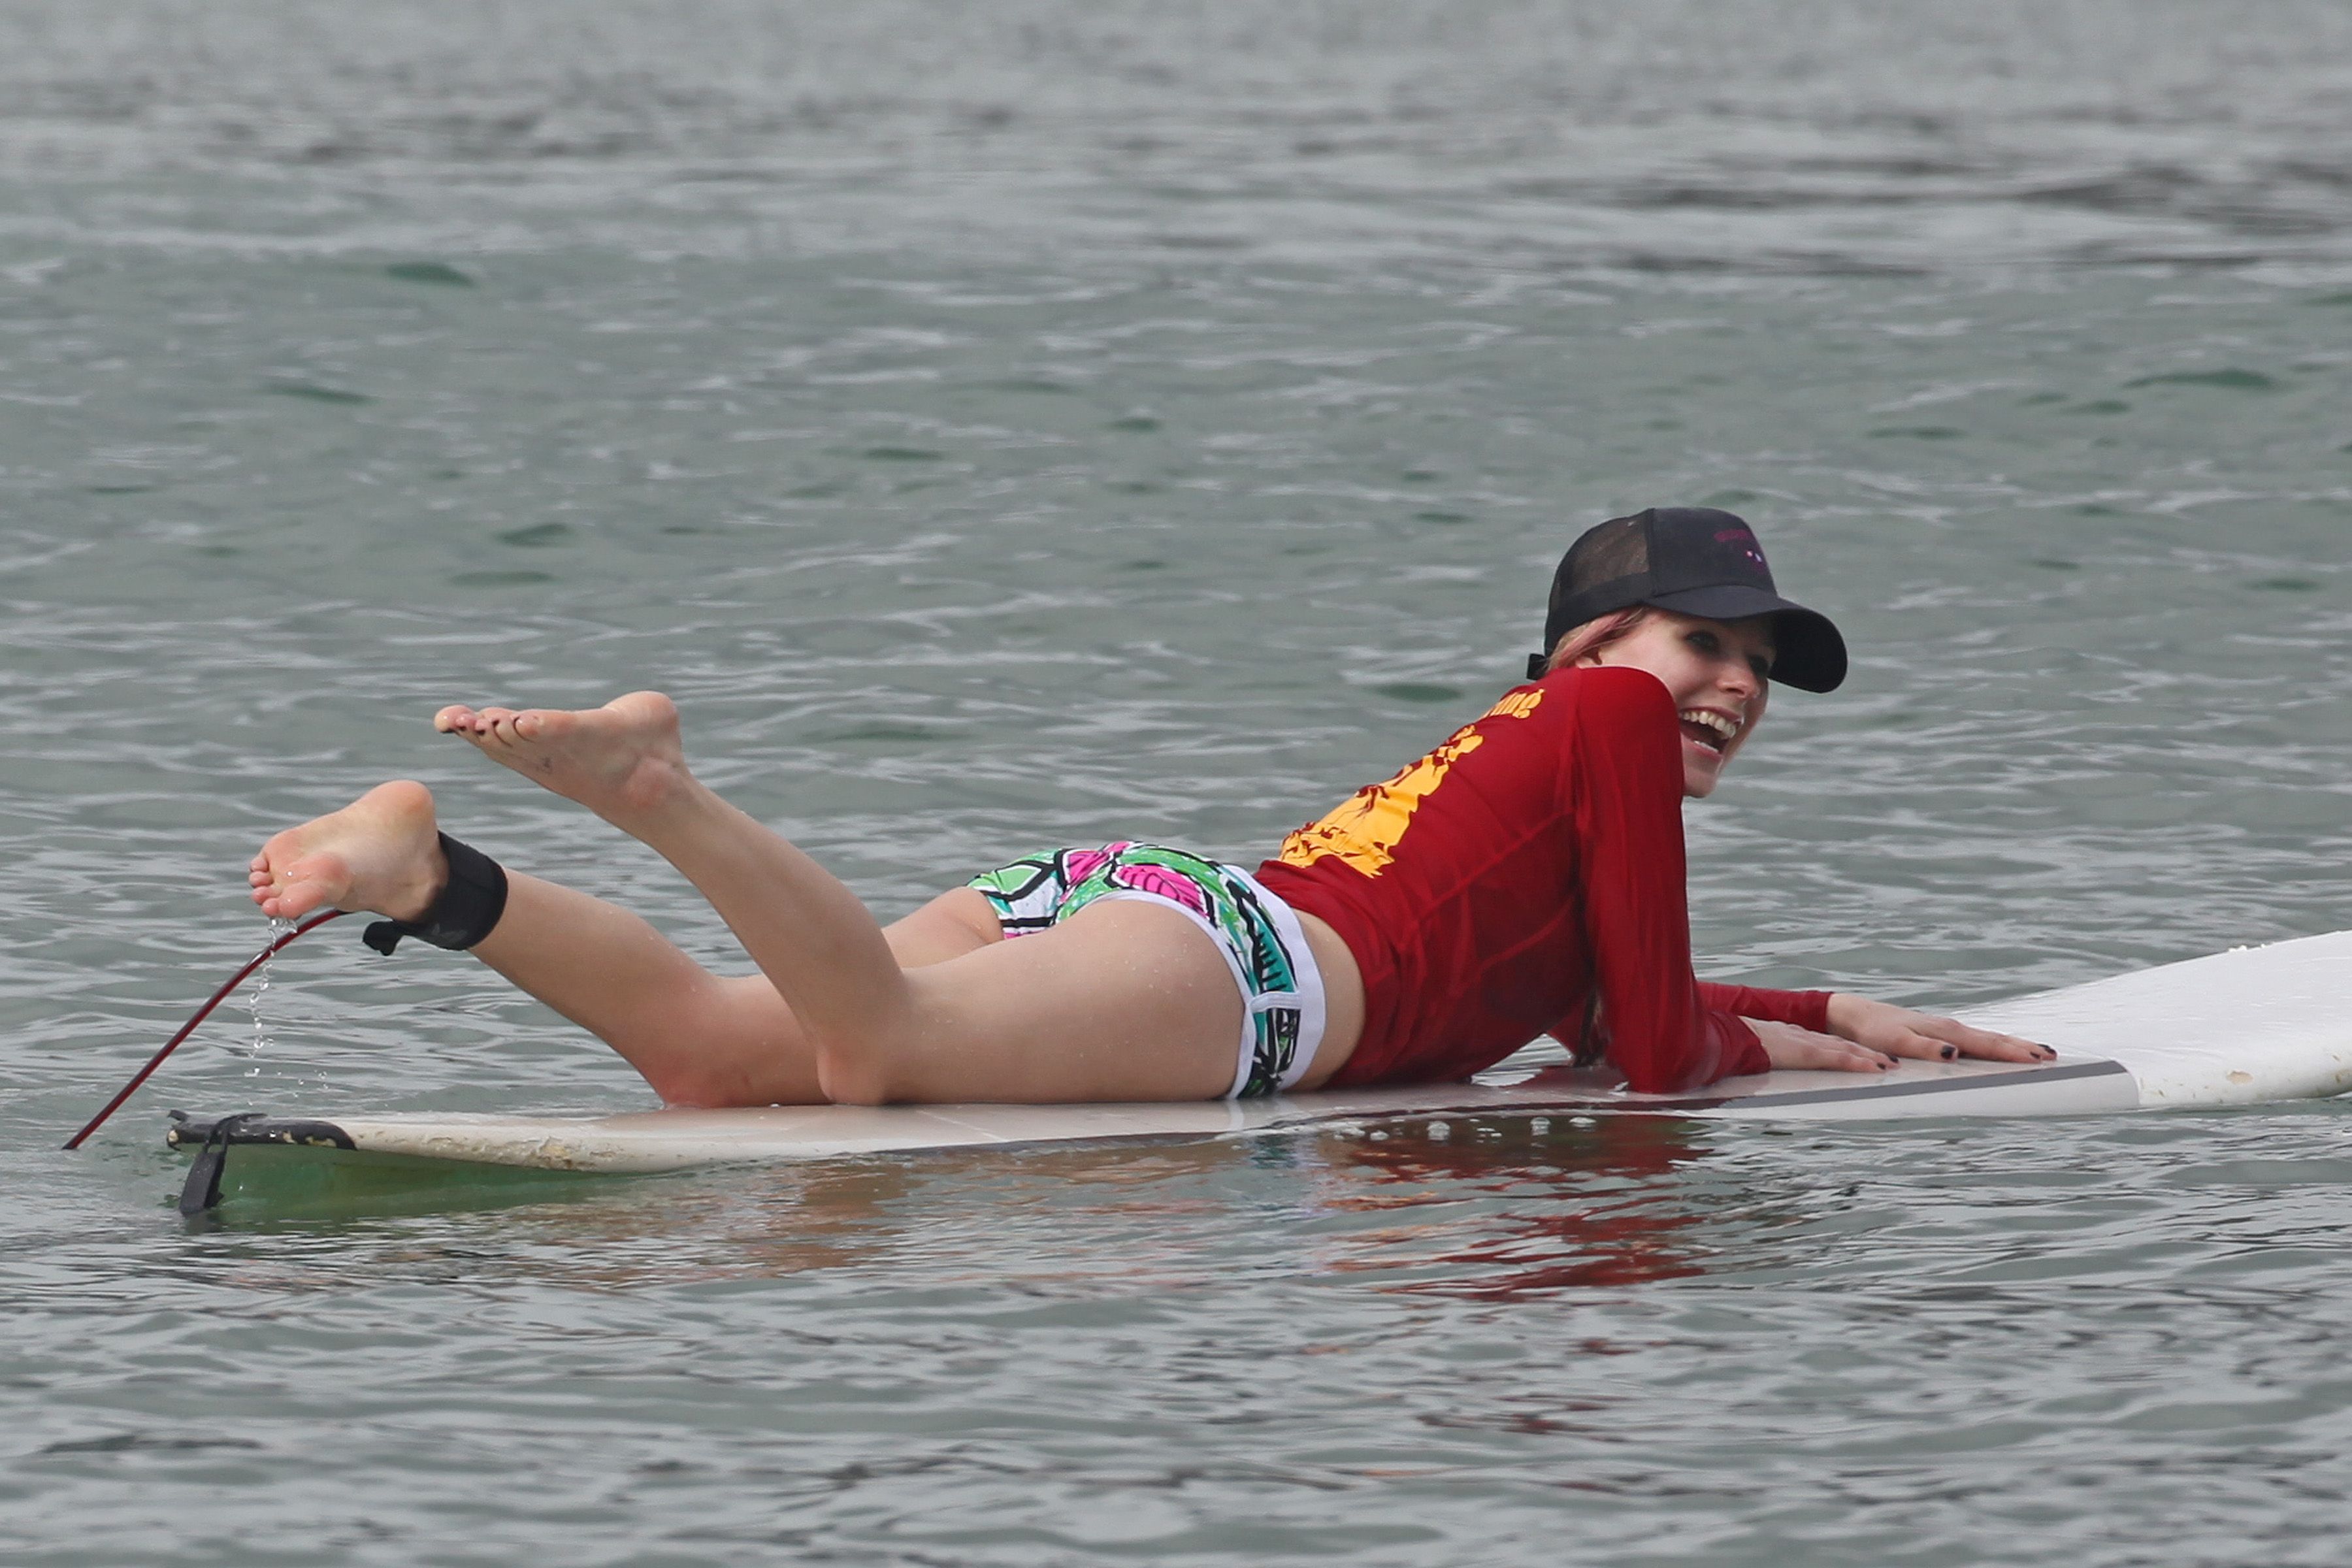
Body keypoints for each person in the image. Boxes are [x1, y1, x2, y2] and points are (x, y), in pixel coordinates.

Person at [248, 507, 2048, 1109]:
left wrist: (1817, 1008)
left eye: (1759, 664)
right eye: (1704, 643)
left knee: (722, 1060)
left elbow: (1592, 1002)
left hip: (1166, 914)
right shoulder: (1607, 717)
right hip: (1249, 977)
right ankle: (661, 791)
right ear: (1595, 647)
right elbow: (1651, 1058)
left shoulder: (1546, 770)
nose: (1734, 685)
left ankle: (431, 875)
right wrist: (1757, 1049)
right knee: (880, 1054)